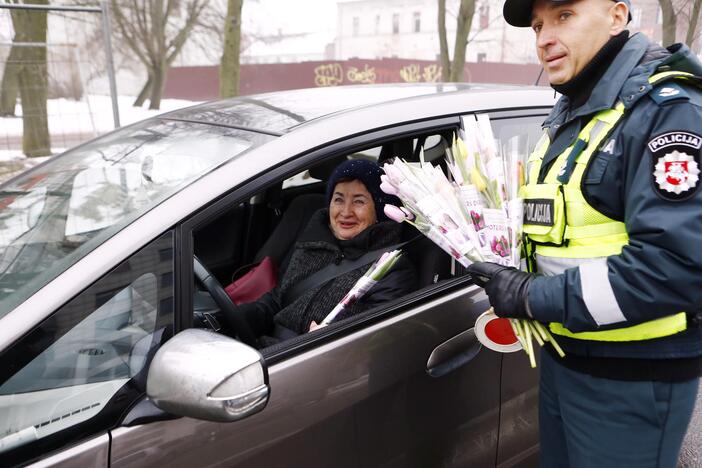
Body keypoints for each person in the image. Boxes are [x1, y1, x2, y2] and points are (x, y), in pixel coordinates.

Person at [467, 0, 702, 466]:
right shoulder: (574, 113)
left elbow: (675, 268)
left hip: (633, 376)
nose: (544, 37)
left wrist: (532, 296)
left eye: (564, 16)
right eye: (537, 25)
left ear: (617, 16)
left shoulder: (666, 112)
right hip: (569, 355)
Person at [233, 159, 417, 347]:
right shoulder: (313, 241)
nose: (345, 212)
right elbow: (278, 300)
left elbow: (376, 338)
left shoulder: (392, 267)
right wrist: (232, 318)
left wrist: (335, 334)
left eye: (359, 201)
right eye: (338, 200)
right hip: (264, 349)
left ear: (379, 209)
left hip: (308, 361)